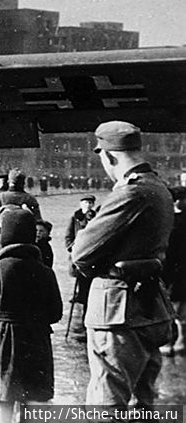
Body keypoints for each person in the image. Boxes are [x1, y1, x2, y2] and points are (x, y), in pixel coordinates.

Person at [72, 121, 174, 407]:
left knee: (106, 404)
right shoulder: (159, 188)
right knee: (142, 403)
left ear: (108, 156)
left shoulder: (129, 193)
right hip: (149, 304)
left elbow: (81, 252)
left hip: (117, 311)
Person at [0, 207, 63, 423]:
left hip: (1, 343)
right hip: (36, 343)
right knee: (34, 405)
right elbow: (55, 313)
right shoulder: (45, 272)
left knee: (0, 405)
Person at [64, 195, 97, 340]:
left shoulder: (96, 216)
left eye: (90, 203)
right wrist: (73, 248)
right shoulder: (75, 218)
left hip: (92, 258)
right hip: (78, 258)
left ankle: (86, 320)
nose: (88, 205)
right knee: (82, 289)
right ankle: (82, 323)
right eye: (86, 202)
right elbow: (68, 237)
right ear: (81, 204)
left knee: (88, 290)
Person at [161, 187, 186, 355]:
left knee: (174, 305)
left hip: (174, 269)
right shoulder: (170, 220)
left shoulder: (168, 221)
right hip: (176, 268)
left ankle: (175, 339)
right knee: (178, 305)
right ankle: (178, 339)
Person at [0, 168, 41, 240]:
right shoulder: (30, 199)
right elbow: (38, 221)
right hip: (25, 238)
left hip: (3, 237)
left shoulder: (0, 197)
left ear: (8, 182)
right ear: (23, 183)